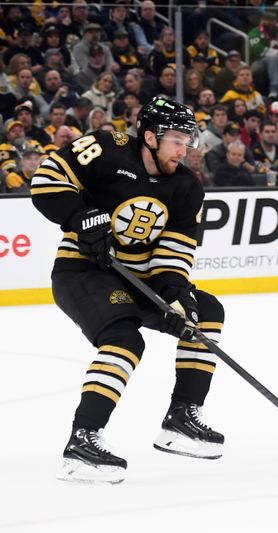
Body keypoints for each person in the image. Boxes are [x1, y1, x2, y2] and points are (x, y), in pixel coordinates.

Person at [30, 96, 226, 484]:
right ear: (150, 136)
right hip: (83, 271)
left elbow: (174, 249)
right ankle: (83, 439)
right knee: (124, 341)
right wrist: (81, 216)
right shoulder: (105, 148)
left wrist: (174, 290)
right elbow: (47, 180)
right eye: (176, 140)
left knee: (206, 312)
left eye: (188, 141)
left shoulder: (187, 186)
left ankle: (181, 419)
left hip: (141, 278)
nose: (183, 149)